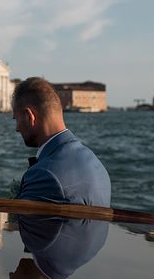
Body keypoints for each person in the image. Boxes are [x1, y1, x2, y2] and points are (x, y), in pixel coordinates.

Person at [11, 77, 111, 207]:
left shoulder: (44, 175)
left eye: (16, 119)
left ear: (29, 116)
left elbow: (26, 225)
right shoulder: (96, 163)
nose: (17, 128)